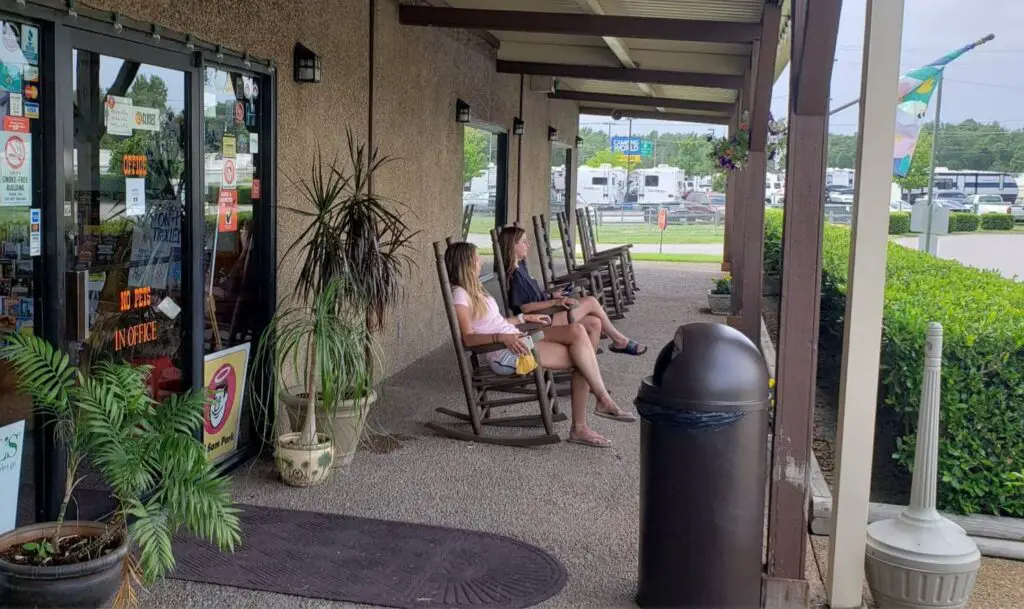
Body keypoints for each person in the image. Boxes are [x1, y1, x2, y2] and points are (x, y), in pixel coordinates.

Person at [445, 241, 636, 448]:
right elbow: (468, 338)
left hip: (518, 339)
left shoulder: (476, 292)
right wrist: (501, 338)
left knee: (578, 332)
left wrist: (523, 318)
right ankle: (587, 420)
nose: (480, 261)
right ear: (466, 263)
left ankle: (600, 403)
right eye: (476, 258)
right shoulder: (460, 295)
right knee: (583, 358)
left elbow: (494, 323)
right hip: (506, 353)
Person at [498, 226, 647, 356]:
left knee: (595, 323)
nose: (528, 244)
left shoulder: (521, 267)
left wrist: (551, 295)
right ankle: (620, 341)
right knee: (591, 301)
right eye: (524, 241)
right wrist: (555, 301)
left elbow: (533, 296)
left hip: (548, 313)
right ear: (513, 245)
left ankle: (588, 372)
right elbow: (525, 307)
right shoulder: (515, 275)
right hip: (541, 320)